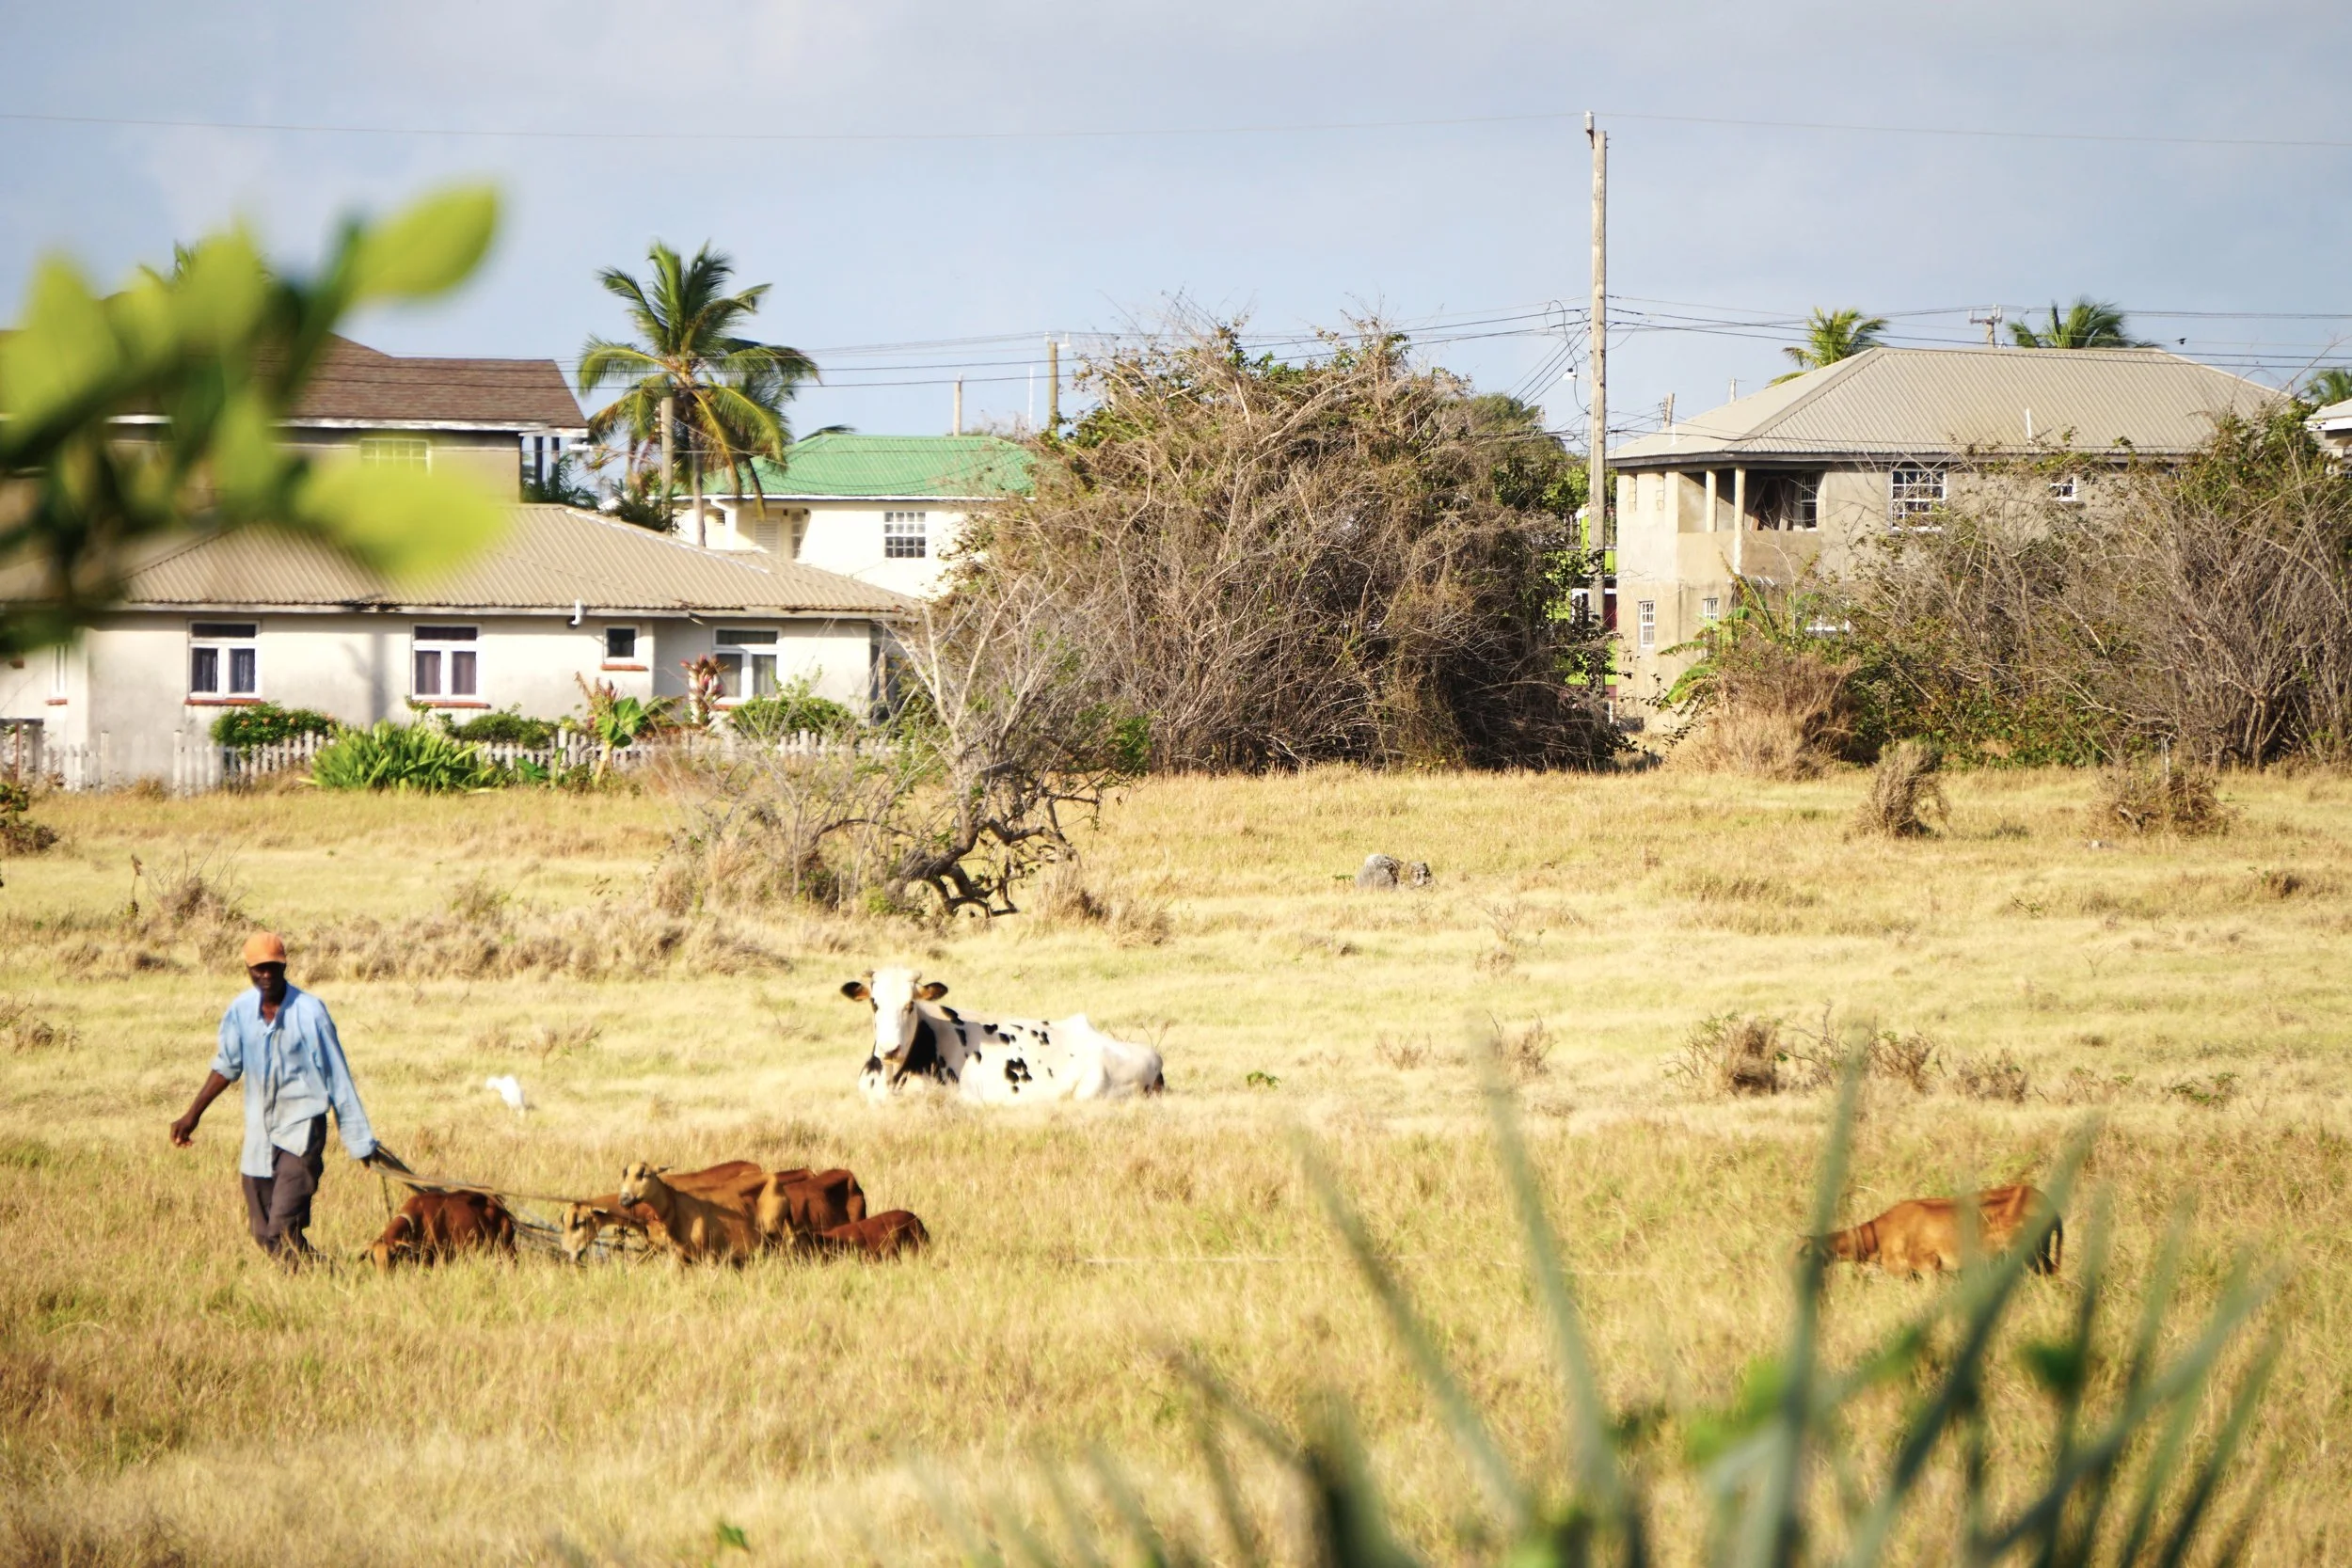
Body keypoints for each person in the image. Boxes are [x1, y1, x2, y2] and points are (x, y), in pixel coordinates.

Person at [169, 931, 385, 1263]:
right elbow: (227, 1065)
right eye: (259, 969)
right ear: (248, 969)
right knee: (262, 1232)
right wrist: (192, 1115)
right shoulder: (240, 1011)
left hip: (302, 1131)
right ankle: (328, 1275)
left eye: (273, 967)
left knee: (281, 1229)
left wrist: (359, 1142)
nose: (266, 975)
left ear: (284, 967)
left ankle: (315, 1287)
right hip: (260, 1135)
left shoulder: (310, 1012)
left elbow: (338, 1078)